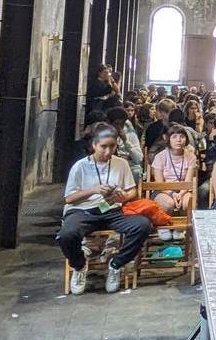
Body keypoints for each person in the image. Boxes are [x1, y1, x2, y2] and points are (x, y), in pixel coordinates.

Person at [57, 123, 151, 295]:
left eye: (112, 147)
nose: (108, 152)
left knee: (142, 225)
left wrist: (123, 196)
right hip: (83, 211)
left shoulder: (121, 164)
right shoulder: (80, 166)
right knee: (66, 235)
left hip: (112, 211)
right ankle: (79, 266)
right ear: (94, 145)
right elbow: (69, 198)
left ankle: (116, 264)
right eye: (103, 147)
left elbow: (132, 191)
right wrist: (94, 190)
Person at [150, 124, 197, 239]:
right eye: (174, 137)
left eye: (182, 136)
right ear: (168, 139)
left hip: (183, 189)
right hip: (163, 190)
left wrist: (180, 194)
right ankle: (163, 225)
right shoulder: (160, 156)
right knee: (168, 203)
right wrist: (173, 193)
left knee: (187, 202)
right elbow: (159, 183)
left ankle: (180, 227)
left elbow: (188, 180)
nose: (179, 140)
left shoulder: (190, 156)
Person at [106, 106, 144, 182]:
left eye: (122, 124)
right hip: (109, 164)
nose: (119, 127)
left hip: (129, 165)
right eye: (116, 124)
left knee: (136, 172)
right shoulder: (105, 135)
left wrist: (125, 141)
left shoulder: (130, 134)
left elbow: (139, 158)